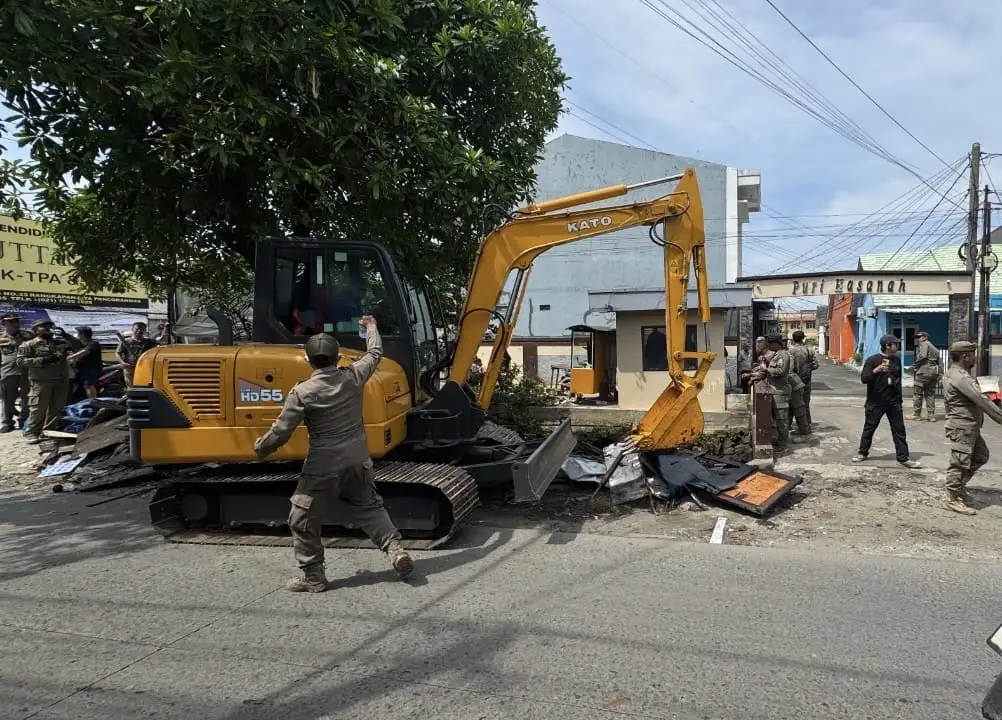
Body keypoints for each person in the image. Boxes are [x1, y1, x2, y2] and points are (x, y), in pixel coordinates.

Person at [254, 314, 413, 592]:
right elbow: (374, 352)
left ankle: (314, 578)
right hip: (358, 458)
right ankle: (395, 550)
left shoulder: (302, 392)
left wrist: (261, 449)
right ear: (339, 357)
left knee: (301, 519)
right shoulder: (353, 376)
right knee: (368, 506)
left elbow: (281, 431)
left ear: (308, 360)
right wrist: (372, 327)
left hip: (323, 465)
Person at [940, 340, 1002, 515]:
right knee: (959, 462)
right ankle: (951, 497)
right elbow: (981, 399)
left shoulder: (956, 373)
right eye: (972, 354)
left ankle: (957, 488)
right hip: (962, 426)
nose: (975, 357)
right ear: (964, 356)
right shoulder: (960, 377)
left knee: (981, 456)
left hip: (968, 426)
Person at [852, 334, 920, 468]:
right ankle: (862, 452)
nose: (897, 346)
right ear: (887, 346)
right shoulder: (872, 360)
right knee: (869, 428)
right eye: (895, 344)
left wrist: (899, 400)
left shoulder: (896, 360)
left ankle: (903, 457)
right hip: (875, 402)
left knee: (899, 430)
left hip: (893, 402)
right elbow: (864, 378)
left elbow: (898, 380)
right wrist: (876, 370)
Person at [15, 319, 74, 444]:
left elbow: (80, 347)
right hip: (41, 381)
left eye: (50, 326)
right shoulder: (28, 345)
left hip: (61, 379)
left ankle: (49, 431)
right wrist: (43, 360)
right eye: (44, 326)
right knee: (38, 408)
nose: (48, 328)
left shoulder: (61, 342)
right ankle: (32, 432)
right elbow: (20, 361)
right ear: (36, 330)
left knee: (57, 407)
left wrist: (67, 335)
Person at [747, 334, 791, 452]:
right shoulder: (776, 355)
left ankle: (783, 445)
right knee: (776, 418)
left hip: (780, 391)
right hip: (773, 390)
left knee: (782, 419)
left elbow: (780, 371)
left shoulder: (783, 355)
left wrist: (767, 370)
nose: (769, 347)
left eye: (770, 344)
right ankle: (780, 441)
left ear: (776, 343)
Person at [0, 313, 33, 432]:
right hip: (8, 372)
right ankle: (7, 422)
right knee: (7, 399)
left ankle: (24, 420)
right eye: (11, 322)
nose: (15, 324)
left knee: (27, 398)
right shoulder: (1, 338)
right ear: (3, 323)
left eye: (16, 321)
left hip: (27, 372)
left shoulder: (28, 336)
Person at [906, 330, 941, 422]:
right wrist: (940, 373)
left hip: (923, 372)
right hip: (933, 372)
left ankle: (917, 414)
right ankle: (931, 415)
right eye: (916, 337)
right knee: (930, 394)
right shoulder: (935, 348)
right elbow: (940, 362)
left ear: (925, 337)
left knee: (918, 393)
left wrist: (913, 366)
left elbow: (922, 356)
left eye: (919, 337)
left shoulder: (924, 344)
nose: (917, 339)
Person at [788, 330, 819, 427]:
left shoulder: (789, 351)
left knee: (791, 403)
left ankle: (788, 425)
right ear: (802, 339)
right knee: (805, 403)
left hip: (793, 382)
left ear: (793, 339)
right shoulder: (809, 350)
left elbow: (789, 368)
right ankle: (806, 424)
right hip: (806, 381)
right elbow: (815, 365)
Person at [115, 322, 158, 386]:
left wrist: (165, 329)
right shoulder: (126, 341)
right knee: (131, 386)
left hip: (144, 367)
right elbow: (118, 353)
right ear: (132, 329)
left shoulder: (149, 341)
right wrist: (122, 363)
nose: (139, 331)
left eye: (141, 329)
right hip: (129, 367)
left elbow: (160, 341)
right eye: (137, 329)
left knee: (143, 385)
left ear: (144, 331)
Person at [68, 327, 104, 399]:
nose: (76, 335)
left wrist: (70, 357)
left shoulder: (93, 343)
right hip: (81, 369)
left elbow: (84, 352)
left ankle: (93, 402)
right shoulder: (79, 344)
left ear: (82, 335)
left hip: (91, 369)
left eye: (77, 333)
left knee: (88, 385)